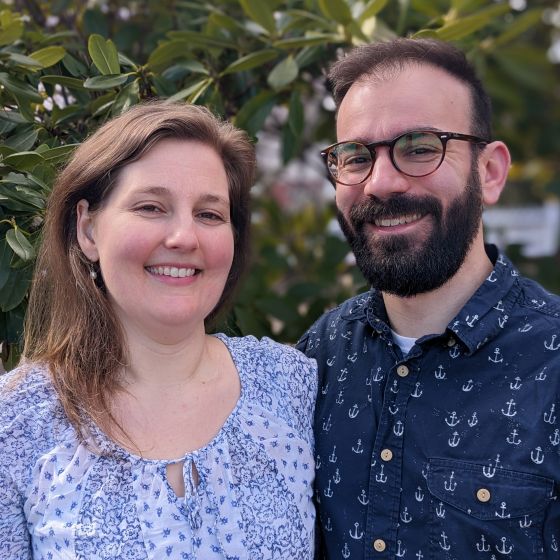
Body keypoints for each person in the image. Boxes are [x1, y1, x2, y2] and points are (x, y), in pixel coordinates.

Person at [0, 101, 317, 559]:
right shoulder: (15, 423)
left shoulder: (292, 386)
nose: (184, 237)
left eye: (210, 214)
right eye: (151, 207)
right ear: (88, 229)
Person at [296, 38, 560, 559]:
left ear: (489, 172)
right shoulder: (318, 357)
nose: (381, 183)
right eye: (356, 157)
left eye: (419, 148)